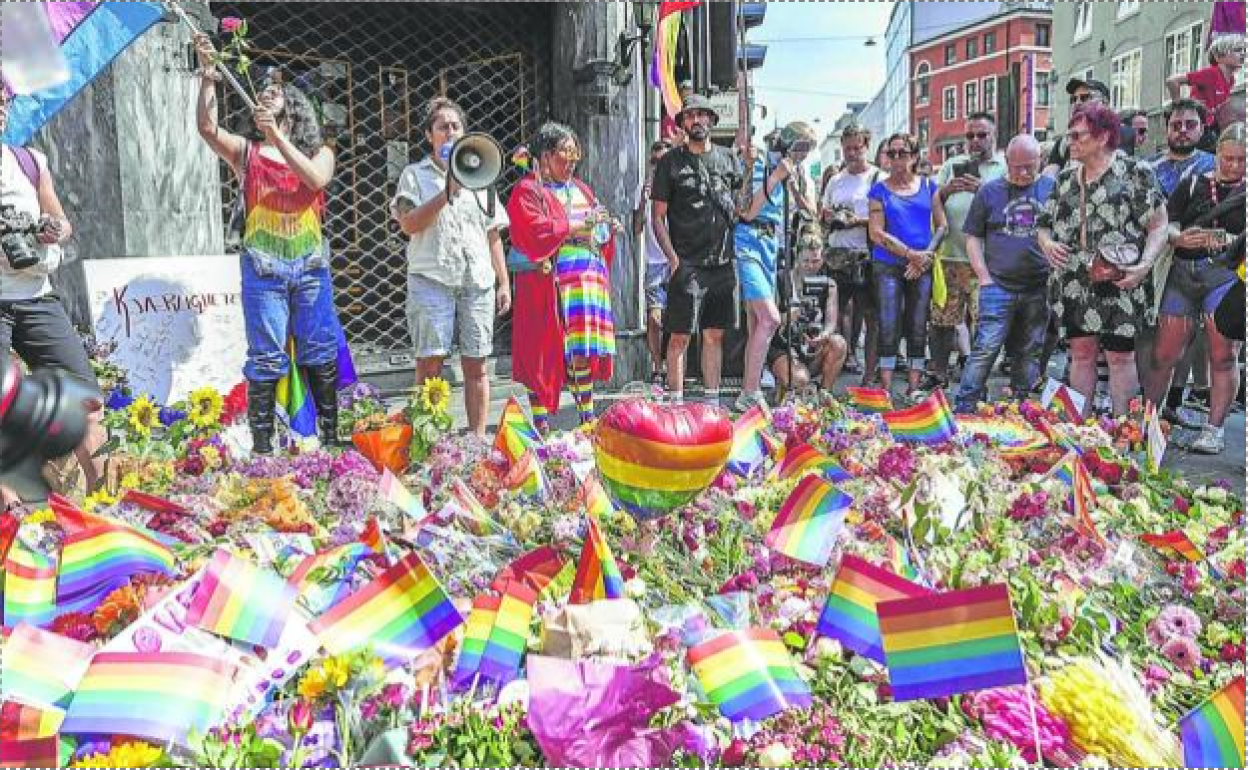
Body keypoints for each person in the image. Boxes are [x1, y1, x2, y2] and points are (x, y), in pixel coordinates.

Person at [194, 36, 340, 454]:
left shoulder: (321, 152)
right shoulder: (249, 153)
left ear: (293, 107)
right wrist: (207, 75)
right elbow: (207, 129)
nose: (267, 91)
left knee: (318, 350)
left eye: (277, 90)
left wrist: (277, 137)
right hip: (264, 269)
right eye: (264, 90)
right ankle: (264, 447)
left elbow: (315, 179)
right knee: (266, 357)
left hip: (310, 268)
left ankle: (327, 440)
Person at [0, 88, 106, 503]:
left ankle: (110, 502)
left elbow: (62, 220)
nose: (0, 111)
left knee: (87, 403)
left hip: (37, 295)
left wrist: (52, 229)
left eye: (3, 102)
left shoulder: (29, 160)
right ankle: (12, 516)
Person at [1038, 102, 1170, 418]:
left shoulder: (1135, 172)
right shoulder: (1066, 178)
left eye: (1077, 135)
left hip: (1120, 277)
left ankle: (1122, 430)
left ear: (1103, 137)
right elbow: (1043, 223)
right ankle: (1079, 430)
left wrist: (1143, 267)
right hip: (1073, 279)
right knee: (1080, 354)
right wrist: (1046, 243)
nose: (1069, 142)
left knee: (1120, 357)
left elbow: (1159, 225)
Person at [391, 98, 511, 437]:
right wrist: (447, 191)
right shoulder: (413, 176)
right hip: (432, 280)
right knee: (430, 362)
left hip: (477, 281)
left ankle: (475, 440)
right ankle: (427, 441)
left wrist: (503, 282)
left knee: (477, 364)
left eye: (456, 126)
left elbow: (492, 235)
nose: (450, 131)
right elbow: (409, 224)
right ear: (430, 135)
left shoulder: (481, 177)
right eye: (442, 127)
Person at [506, 123, 618, 431]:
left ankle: (587, 421)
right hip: (551, 284)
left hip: (587, 279)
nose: (571, 161)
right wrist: (575, 228)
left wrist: (605, 228)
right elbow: (533, 229)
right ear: (544, 156)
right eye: (564, 153)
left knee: (581, 352)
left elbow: (598, 223)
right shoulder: (529, 190)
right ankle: (541, 424)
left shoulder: (581, 189)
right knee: (544, 350)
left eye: (574, 153)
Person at [1146, 123, 1245, 455]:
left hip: (1227, 277)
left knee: (1222, 355)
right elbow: (1168, 221)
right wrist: (1178, 237)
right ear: (1216, 154)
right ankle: (1148, 420)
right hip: (1184, 272)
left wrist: (1230, 241)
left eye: (1242, 160)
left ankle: (1214, 430)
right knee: (1164, 354)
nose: (1234, 166)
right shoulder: (1193, 182)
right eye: (1228, 158)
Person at [651, 95, 743, 405]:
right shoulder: (669, 162)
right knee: (679, 335)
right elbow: (657, 217)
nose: (697, 121)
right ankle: (676, 404)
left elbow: (742, 208)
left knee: (714, 335)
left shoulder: (730, 159)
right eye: (690, 116)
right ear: (683, 124)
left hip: (723, 260)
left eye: (703, 115)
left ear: (713, 122)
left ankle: (712, 404)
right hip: (687, 262)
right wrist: (672, 258)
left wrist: (755, 166)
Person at [954, 135, 1055, 413]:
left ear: (1040, 162)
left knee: (1029, 350)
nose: (1022, 174)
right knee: (985, 348)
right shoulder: (989, 192)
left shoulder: (1051, 188)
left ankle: (1020, 406)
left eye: (1029, 167)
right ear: (1006, 162)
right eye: (1016, 167)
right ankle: (965, 406)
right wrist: (984, 276)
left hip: (1038, 285)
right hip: (998, 284)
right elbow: (973, 237)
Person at [732, 121, 818, 412]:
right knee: (770, 319)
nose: (803, 154)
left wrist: (792, 184)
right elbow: (747, 211)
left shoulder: (796, 171)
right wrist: (775, 176)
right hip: (749, 240)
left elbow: (810, 211)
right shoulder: (760, 166)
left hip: (773, 245)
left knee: (757, 323)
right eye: (799, 148)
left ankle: (749, 390)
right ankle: (750, 392)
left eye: (808, 150)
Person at [1148, 99, 1218, 426]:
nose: (1183, 131)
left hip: (1205, 261)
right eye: (1176, 125)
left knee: (1194, 336)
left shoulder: (1214, 165)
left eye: (1190, 124)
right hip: (1159, 259)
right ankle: (1150, 406)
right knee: (1159, 337)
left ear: (1202, 128)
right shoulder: (1149, 168)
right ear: (1167, 128)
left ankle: (1176, 399)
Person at [927, 112, 1007, 393]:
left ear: (993, 135)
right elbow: (934, 202)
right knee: (941, 321)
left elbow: (1010, 207)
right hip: (949, 255)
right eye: (970, 136)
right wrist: (946, 191)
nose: (974, 141)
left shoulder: (1004, 167)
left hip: (985, 261)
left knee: (982, 323)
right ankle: (938, 374)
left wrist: (983, 190)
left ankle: (977, 381)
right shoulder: (951, 165)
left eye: (981, 135)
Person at [867, 133, 947, 401]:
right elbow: (876, 233)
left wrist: (926, 256)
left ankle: (914, 388)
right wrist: (911, 254)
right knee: (888, 323)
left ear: (914, 157)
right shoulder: (878, 190)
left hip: (921, 265)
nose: (896, 159)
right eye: (892, 154)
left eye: (902, 153)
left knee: (917, 324)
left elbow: (942, 226)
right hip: (888, 265)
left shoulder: (928, 186)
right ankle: (886, 389)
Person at [821, 123, 882, 385]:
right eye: (847, 149)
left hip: (866, 255)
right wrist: (830, 217)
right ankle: (830, 377)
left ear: (866, 147)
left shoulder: (878, 178)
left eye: (857, 148)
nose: (852, 154)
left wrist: (856, 221)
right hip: (837, 255)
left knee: (871, 316)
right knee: (834, 315)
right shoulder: (836, 180)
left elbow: (885, 219)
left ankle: (868, 378)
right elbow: (821, 214)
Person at [767, 224, 848, 396]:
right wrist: (790, 316)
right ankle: (786, 383)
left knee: (838, 343)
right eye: (806, 261)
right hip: (783, 346)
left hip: (812, 346)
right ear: (797, 258)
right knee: (800, 380)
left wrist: (823, 336)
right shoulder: (781, 279)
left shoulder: (829, 284)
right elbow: (768, 322)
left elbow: (831, 323)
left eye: (816, 261)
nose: (811, 266)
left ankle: (824, 394)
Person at [1043, 78, 1137, 176]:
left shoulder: (1123, 133)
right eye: (1074, 99)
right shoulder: (1064, 142)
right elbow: (1048, 177)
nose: (1077, 103)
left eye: (1084, 97)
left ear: (1104, 102)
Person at [635, 139, 672, 386]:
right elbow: (636, 228)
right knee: (655, 319)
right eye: (655, 162)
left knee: (676, 319)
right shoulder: (644, 189)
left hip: (677, 259)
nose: (659, 167)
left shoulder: (677, 185)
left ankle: (673, 366)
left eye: (664, 162)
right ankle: (658, 367)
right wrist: (643, 202)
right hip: (654, 263)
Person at [1167, 35, 1245, 149]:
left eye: (1244, 50)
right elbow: (1172, 81)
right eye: (1237, 50)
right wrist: (1179, 109)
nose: (1243, 54)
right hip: (1201, 130)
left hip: (1215, 128)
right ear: (1219, 56)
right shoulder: (1210, 73)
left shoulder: (1231, 79)